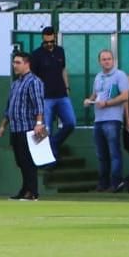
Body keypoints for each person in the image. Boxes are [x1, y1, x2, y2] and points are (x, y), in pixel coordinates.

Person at [0, 52, 46, 201]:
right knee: (20, 161)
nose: (15, 66)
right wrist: (2, 126)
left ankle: (32, 191)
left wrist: (39, 124)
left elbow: (39, 104)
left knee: (28, 160)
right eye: (14, 63)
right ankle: (25, 189)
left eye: (18, 63)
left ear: (26, 63)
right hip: (16, 128)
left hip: (29, 128)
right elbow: (9, 107)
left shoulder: (34, 82)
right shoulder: (16, 83)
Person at [84, 48, 129, 192]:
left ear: (113, 60)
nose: (107, 61)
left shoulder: (120, 75)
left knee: (114, 153)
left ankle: (116, 183)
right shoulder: (98, 77)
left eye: (109, 59)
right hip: (98, 120)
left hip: (112, 119)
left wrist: (107, 103)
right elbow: (95, 94)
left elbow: (125, 96)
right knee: (101, 154)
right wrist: (89, 100)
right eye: (104, 59)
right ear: (99, 62)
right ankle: (103, 183)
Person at [28, 26, 74, 161]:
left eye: (51, 42)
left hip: (61, 94)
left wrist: (67, 87)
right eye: (46, 42)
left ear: (54, 38)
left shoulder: (60, 51)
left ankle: (53, 144)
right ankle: (44, 159)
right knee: (43, 129)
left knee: (71, 122)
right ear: (42, 40)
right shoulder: (36, 54)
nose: (49, 45)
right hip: (45, 97)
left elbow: (63, 69)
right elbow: (33, 77)